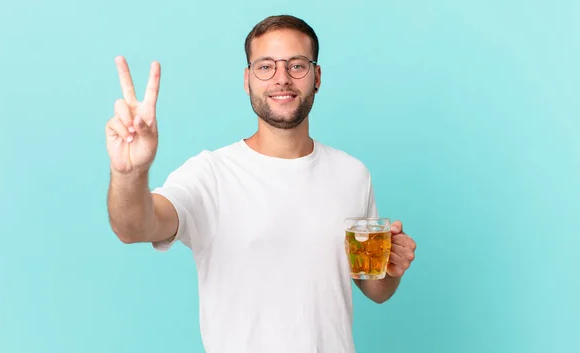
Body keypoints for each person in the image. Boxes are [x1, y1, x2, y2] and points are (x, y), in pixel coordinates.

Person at [106, 14, 416, 353]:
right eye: (265, 66)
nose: (281, 79)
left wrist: (393, 269)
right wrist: (130, 173)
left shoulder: (353, 174)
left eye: (297, 65)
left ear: (317, 77)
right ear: (247, 79)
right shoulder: (211, 175)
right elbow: (133, 227)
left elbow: (375, 288)